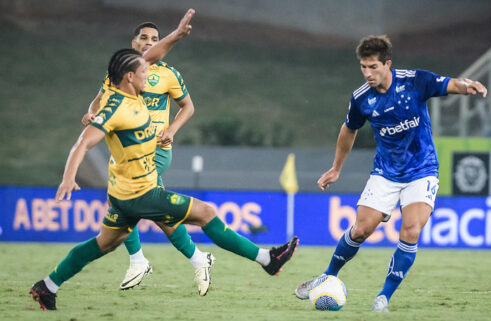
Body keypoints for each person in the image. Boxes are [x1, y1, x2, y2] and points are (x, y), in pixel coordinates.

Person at [29, 10, 298, 311]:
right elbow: (83, 143)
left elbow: (152, 55)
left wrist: (177, 36)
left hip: (123, 192)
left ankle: (47, 286)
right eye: (144, 73)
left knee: (104, 243)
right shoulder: (117, 108)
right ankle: (267, 259)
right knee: (206, 212)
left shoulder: (129, 92)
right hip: (140, 192)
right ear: (130, 77)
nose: (150, 74)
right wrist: (69, 177)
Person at [293, 35, 487, 312]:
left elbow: (449, 84)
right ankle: (328, 275)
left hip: (422, 170)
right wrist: (336, 168)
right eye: (363, 67)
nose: (368, 73)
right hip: (385, 173)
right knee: (360, 229)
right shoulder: (361, 99)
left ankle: (383, 297)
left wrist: (467, 86)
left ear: (387, 64)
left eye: (373, 67)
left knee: (411, 228)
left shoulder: (415, 81)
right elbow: (348, 130)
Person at [81, 21, 206, 293]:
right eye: (144, 37)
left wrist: (172, 129)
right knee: (148, 209)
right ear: (134, 42)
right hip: (129, 151)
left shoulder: (168, 74)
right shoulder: (119, 75)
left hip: (157, 151)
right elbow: (98, 100)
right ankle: (196, 258)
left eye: (155, 38)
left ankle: (139, 260)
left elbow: (188, 106)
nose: (149, 41)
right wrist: (91, 113)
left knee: (128, 202)